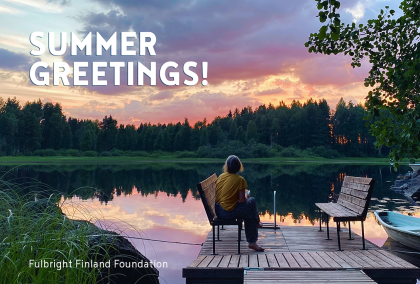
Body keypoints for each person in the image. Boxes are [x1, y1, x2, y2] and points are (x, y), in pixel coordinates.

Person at [215, 155, 264, 252]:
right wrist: (246, 196)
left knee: (249, 208)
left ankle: (257, 223)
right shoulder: (240, 179)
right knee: (251, 202)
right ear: (238, 166)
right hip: (227, 213)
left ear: (227, 166)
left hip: (218, 210)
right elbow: (242, 201)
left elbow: (226, 194)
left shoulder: (221, 176)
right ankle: (252, 240)